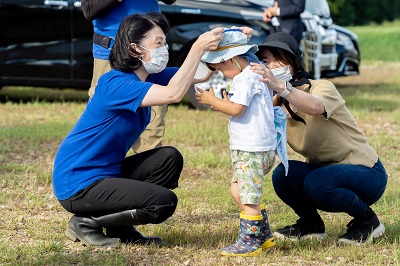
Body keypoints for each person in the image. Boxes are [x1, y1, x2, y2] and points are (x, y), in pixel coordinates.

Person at [52, 12, 224, 248]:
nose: (165, 48)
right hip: (79, 183)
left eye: (165, 42)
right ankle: (85, 224)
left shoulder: (149, 76)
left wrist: (228, 45)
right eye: (159, 43)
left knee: (168, 158)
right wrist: (196, 47)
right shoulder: (115, 83)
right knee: (163, 203)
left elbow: (201, 73)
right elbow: (173, 94)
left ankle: (119, 227)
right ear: (135, 49)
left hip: (106, 174)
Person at [250, 32, 388, 245]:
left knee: (317, 182)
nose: (265, 67)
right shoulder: (276, 105)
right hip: (325, 172)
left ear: (288, 62)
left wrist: (281, 86)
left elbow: (315, 106)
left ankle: (368, 222)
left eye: (267, 61)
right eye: (262, 62)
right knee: (283, 175)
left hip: (367, 173)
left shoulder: (321, 87)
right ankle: (311, 225)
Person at [195, 29, 287, 256]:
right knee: (239, 191)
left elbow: (237, 109)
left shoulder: (245, 78)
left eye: (219, 67)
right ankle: (263, 235)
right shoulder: (253, 74)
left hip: (251, 148)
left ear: (232, 59)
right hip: (255, 148)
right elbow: (240, 108)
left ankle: (250, 241)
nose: (220, 72)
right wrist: (222, 104)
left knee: (247, 197)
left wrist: (211, 100)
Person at [81, 0, 176, 155]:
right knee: (106, 127)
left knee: (152, 131)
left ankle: (150, 176)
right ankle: (101, 176)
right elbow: (89, 9)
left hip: (149, 54)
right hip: (109, 56)